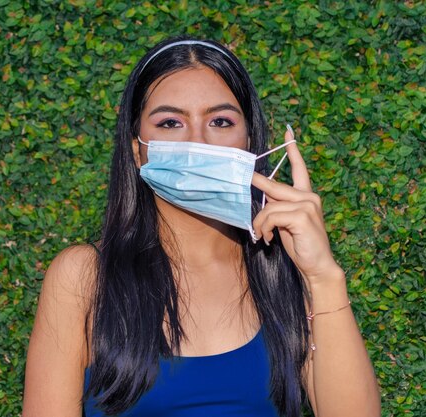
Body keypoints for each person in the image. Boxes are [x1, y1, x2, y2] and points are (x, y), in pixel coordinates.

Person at [22, 37, 381, 417]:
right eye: (171, 122)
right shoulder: (83, 276)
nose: (197, 141)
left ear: (249, 141)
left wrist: (323, 276)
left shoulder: (284, 271)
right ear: (136, 148)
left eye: (220, 121)